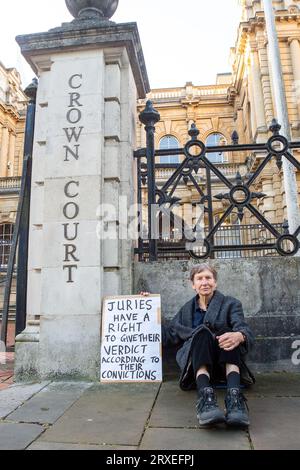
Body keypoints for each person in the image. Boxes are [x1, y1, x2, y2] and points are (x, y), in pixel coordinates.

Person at [141, 263, 255, 428]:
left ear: (215, 282)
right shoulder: (186, 310)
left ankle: (235, 398)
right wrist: (147, 309)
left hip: (226, 364)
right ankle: (206, 398)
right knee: (201, 333)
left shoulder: (231, 304)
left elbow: (243, 328)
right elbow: (168, 336)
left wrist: (240, 335)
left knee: (227, 333)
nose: (205, 282)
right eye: (199, 279)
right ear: (193, 285)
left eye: (208, 278)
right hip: (197, 369)